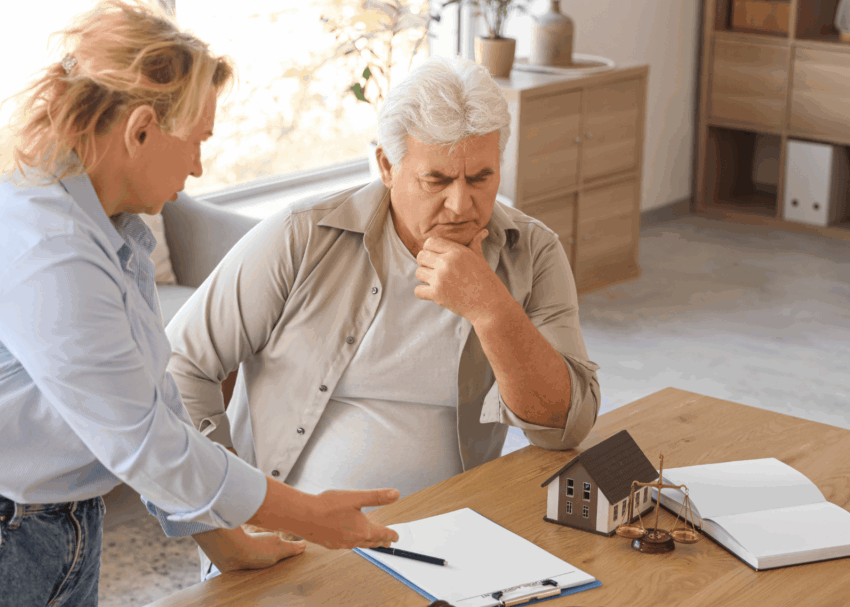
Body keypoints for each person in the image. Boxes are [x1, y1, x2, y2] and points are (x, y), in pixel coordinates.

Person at [0, 0, 398, 607]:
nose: (198, 167)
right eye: (198, 138)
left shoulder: (110, 234)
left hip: (58, 525)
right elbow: (148, 447)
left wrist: (226, 542)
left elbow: (150, 406)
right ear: (141, 130)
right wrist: (310, 514)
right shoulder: (47, 248)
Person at [166, 57, 600, 567]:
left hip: (450, 540)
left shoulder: (533, 251)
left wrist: (492, 310)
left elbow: (564, 426)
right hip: (293, 542)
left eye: (481, 177)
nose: (462, 205)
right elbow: (179, 363)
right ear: (387, 167)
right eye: (436, 180)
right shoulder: (302, 235)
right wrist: (237, 505)